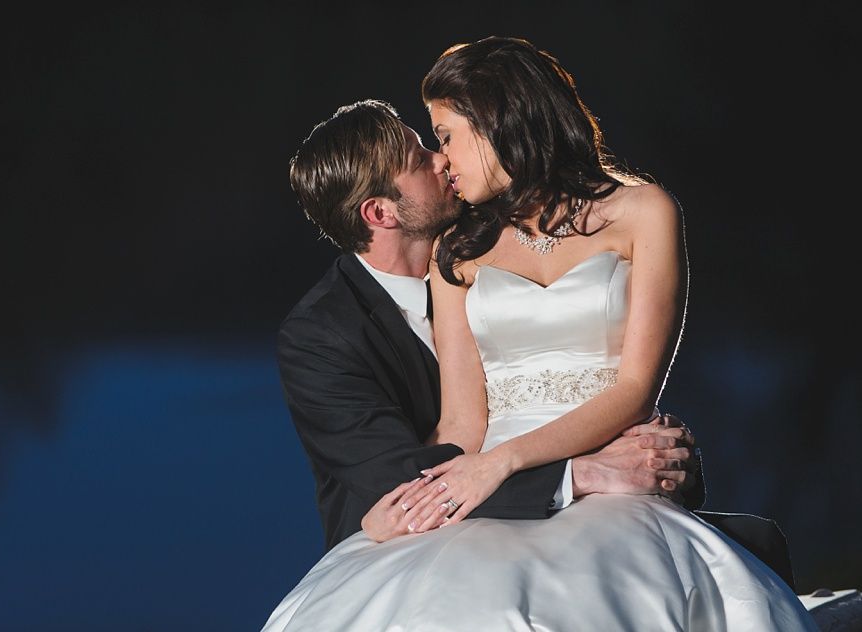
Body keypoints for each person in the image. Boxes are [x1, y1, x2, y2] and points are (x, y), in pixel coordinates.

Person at [263, 37, 811, 629]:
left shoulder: (644, 212)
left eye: (443, 138)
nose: (441, 159)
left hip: (602, 470)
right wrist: (397, 506)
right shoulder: (437, 264)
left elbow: (633, 388)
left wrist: (552, 461)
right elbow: (460, 427)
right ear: (380, 213)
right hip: (501, 485)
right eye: (428, 150)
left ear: (495, 123)